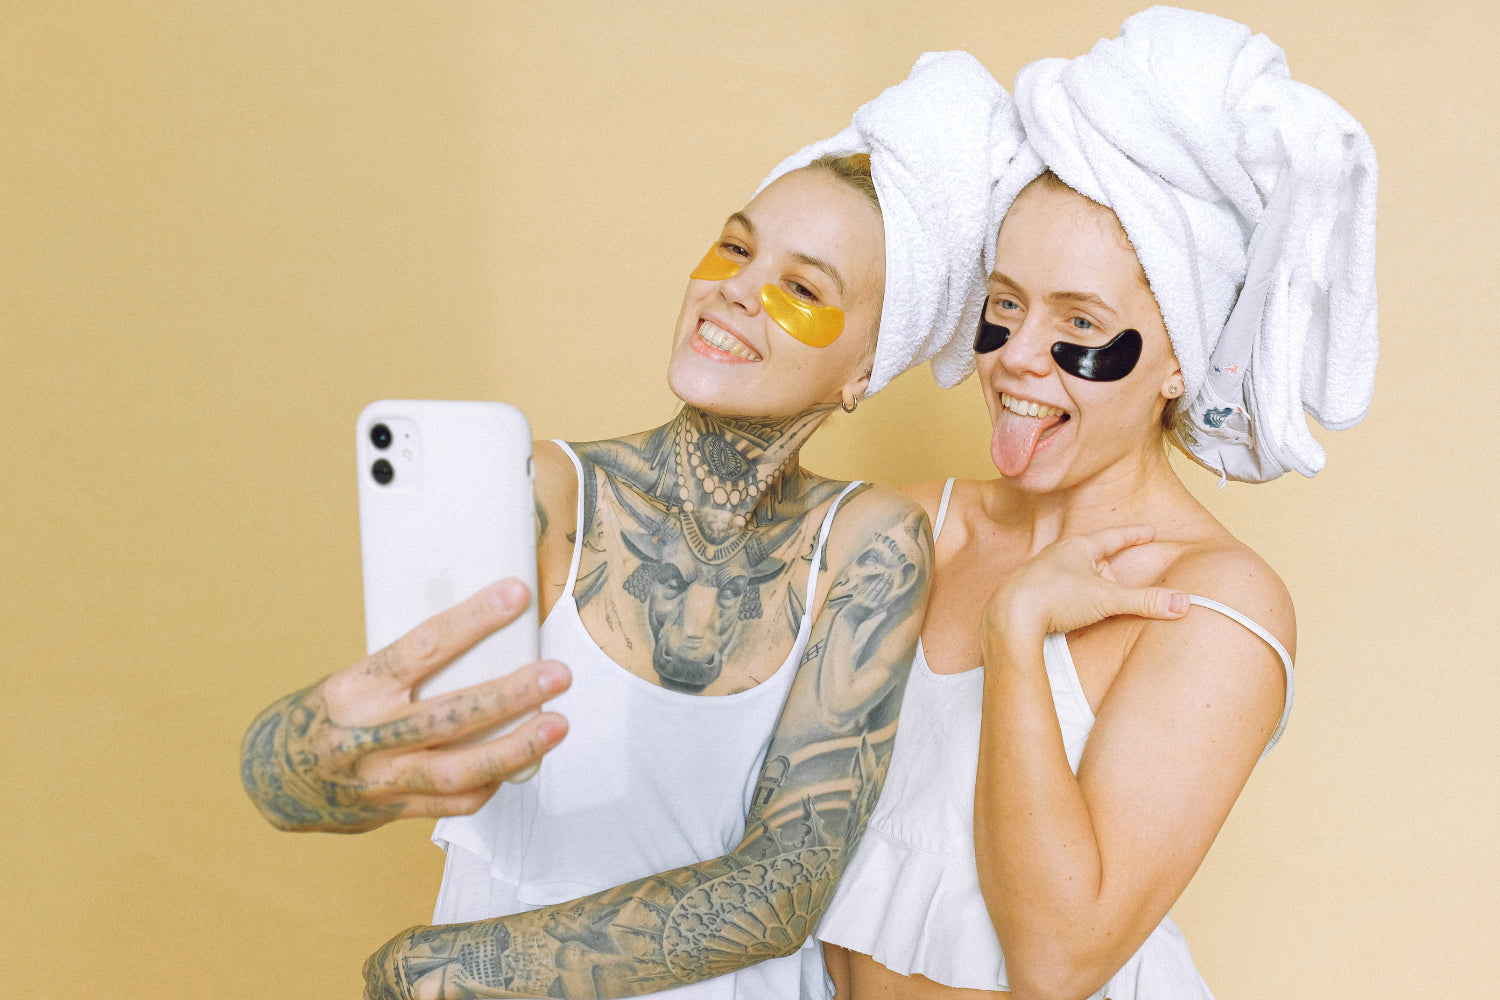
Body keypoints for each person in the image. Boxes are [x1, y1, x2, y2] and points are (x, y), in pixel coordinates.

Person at [239, 52, 1028, 1000]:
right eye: (736, 248)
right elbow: (341, 752)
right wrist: (299, 762)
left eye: (804, 289)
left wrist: (447, 965)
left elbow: (781, 886)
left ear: (865, 367)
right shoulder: (538, 491)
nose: (736, 288)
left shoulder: (868, 545)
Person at [816, 9, 1379, 1000]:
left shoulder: (1213, 605)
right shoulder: (905, 525)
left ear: (1176, 361)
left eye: (1082, 322)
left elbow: (1058, 955)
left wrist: (1017, 626)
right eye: (1004, 305)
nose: (1019, 356)